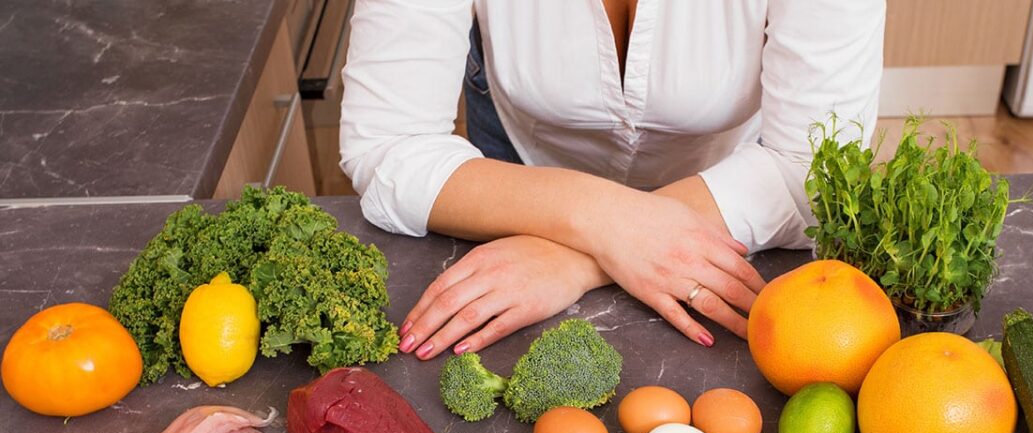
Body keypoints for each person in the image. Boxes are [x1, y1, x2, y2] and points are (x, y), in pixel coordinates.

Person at [340, 0, 885, 360]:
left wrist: (573, 258)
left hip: (733, 194)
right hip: (516, 179)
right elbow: (387, 144)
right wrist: (600, 219)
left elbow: (816, 168)